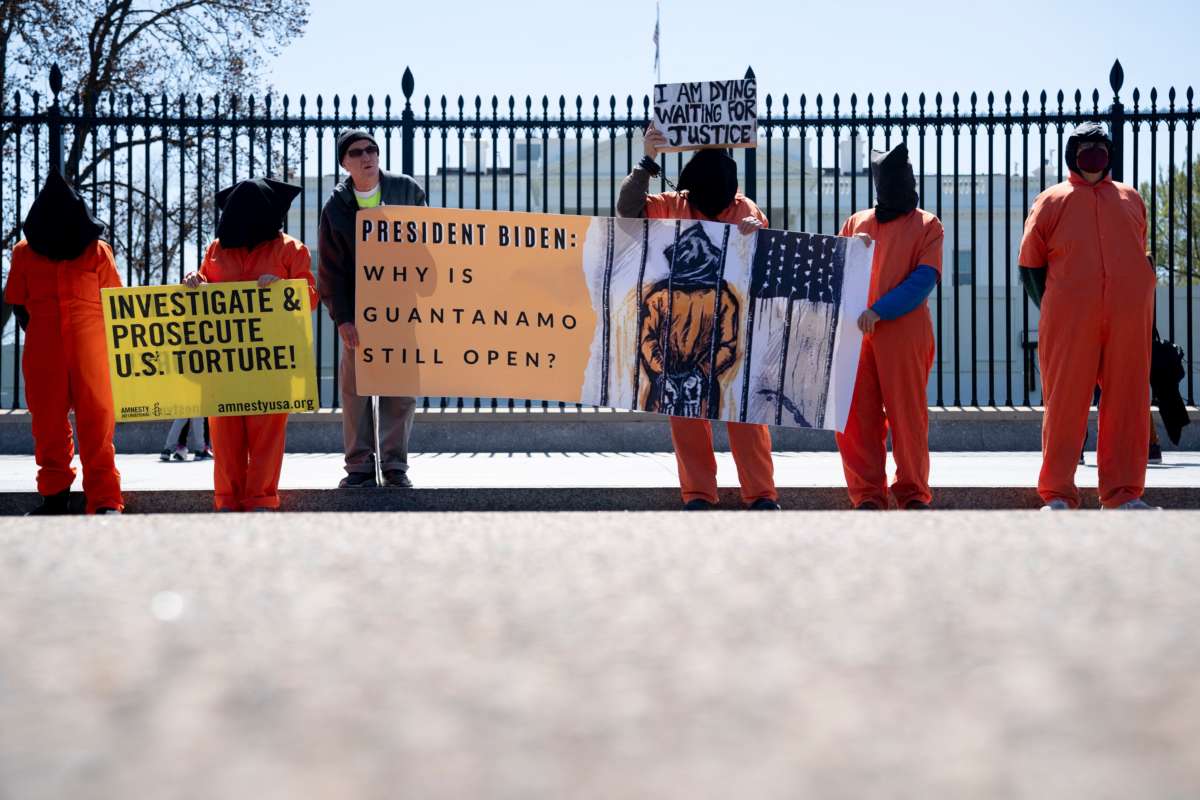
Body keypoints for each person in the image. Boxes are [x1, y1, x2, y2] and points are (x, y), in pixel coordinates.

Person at [617, 124, 780, 511]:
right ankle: (698, 494)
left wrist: (756, 232)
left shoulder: (744, 210)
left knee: (746, 420)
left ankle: (760, 494)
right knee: (687, 423)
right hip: (677, 351)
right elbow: (626, 211)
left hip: (729, 346)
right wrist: (647, 160)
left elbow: (760, 264)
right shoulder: (672, 204)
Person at [1018, 121, 1158, 510]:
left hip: (1127, 319)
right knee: (1065, 404)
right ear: (1072, 153)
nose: (1093, 152)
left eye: (1100, 145)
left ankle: (1123, 493)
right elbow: (1030, 266)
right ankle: (1059, 493)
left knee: (1128, 403)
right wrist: (1056, 307)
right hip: (1069, 320)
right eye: (1085, 146)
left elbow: (1139, 248)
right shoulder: (1050, 201)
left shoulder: (1131, 198)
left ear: (1109, 152)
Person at [184, 178, 317, 512]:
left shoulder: (291, 249)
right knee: (226, 438)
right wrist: (194, 283)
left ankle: (261, 499)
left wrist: (285, 286)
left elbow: (311, 298)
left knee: (266, 436)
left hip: (272, 364)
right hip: (223, 364)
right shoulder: (215, 249)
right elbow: (202, 294)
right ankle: (227, 500)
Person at [3, 171, 123, 515]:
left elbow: (115, 305)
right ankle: (55, 497)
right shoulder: (24, 254)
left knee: (97, 423)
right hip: (48, 352)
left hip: (90, 350)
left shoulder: (98, 252)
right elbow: (18, 302)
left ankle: (104, 500)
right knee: (48, 425)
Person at [835, 143, 944, 510]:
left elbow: (924, 280)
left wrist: (879, 310)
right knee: (857, 420)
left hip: (903, 335)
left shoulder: (928, 225)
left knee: (907, 417)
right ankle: (868, 495)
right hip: (857, 336)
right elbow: (836, 271)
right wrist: (851, 248)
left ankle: (912, 492)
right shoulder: (857, 223)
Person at [318, 129, 426, 489]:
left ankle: (395, 466)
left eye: (372, 149)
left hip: (401, 307)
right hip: (358, 314)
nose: (367, 156)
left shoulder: (407, 190)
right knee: (356, 391)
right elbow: (330, 271)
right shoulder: (336, 207)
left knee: (400, 387)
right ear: (345, 163)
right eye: (357, 152)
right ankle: (360, 467)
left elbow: (431, 240)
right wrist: (343, 318)